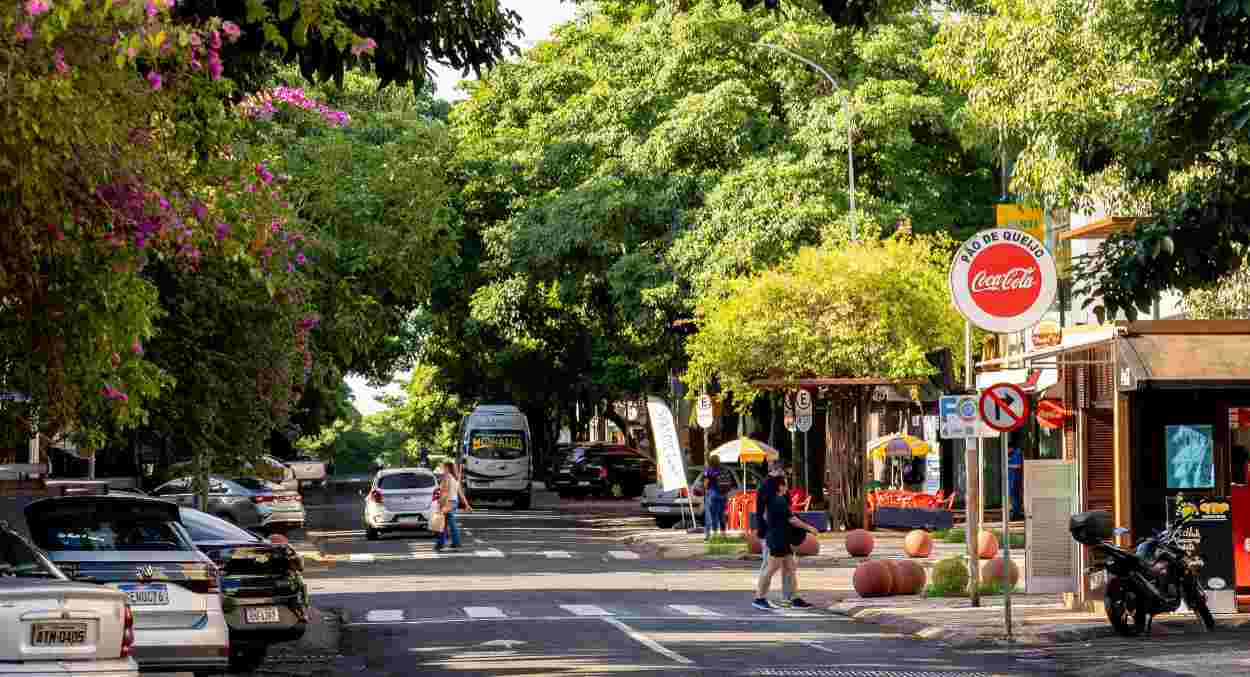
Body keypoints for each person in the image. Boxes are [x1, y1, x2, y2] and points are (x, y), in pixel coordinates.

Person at [753, 475, 817, 610]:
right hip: (778, 539)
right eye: (785, 485)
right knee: (771, 569)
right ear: (780, 486)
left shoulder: (773, 500)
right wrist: (809, 528)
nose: (787, 488)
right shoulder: (778, 500)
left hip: (782, 538)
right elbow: (792, 519)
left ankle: (794, 598)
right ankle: (759, 598)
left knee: (790, 568)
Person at [755, 461, 797, 606]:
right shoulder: (766, 487)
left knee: (789, 565)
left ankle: (790, 596)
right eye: (783, 471)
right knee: (769, 565)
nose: (785, 475)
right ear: (775, 471)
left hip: (781, 532)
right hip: (770, 533)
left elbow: (788, 507)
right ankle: (760, 597)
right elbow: (765, 513)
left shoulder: (780, 486)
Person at [435, 461, 472, 552]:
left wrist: (441, 502)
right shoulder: (455, 479)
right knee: (446, 523)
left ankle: (447, 543)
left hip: (448, 503)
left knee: (443, 523)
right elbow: (461, 494)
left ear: (447, 468)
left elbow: (445, 492)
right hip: (454, 503)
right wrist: (467, 505)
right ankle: (445, 543)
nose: (442, 469)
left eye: (443, 467)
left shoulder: (446, 477)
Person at [702, 456, 728, 540]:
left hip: (713, 495)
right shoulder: (723, 469)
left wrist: (705, 489)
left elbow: (706, 484)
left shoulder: (709, 470)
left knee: (713, 516)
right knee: (722, 515)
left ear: (710, 461)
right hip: (723, 495)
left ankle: (715, 535)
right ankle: (723, 535)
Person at [1008, 446, 1023, 520]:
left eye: (1007, 449)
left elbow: (1018, 466)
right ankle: (1015, 513)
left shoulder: (1017, 453)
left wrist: (1007, 465)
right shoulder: (1013, 454)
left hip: (1015, 480)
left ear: (1011, 448)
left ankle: (1016, 514)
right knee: (1014, 497)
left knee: (1015, 497)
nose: (1007, 452)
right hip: (1012, 479)